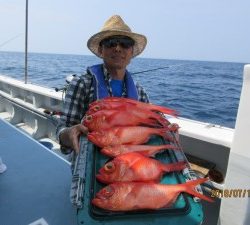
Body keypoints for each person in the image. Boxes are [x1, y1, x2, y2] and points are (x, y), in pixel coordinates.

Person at [56, 15, 149, 154]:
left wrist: (167, 130)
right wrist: (68, 134)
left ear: (131, 51)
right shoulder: (82, 84)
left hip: (129, 162)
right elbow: (62, 131)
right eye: (111, 42)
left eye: (125, 43)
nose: (118, 48)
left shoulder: (139, 92)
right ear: (101, 50)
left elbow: (151, 124)